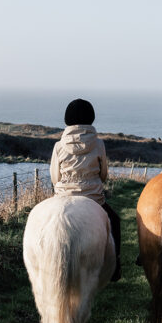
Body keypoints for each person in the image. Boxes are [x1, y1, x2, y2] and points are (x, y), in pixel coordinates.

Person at [50, 98, 122, 282]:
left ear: (67, 119)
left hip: (64, 199)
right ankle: (115, 266)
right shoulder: (98, 144)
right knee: (115, 221)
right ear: (91, 118)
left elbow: (55, 178)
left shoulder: (58, 146)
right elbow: (104, 174)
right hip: (93, 200)